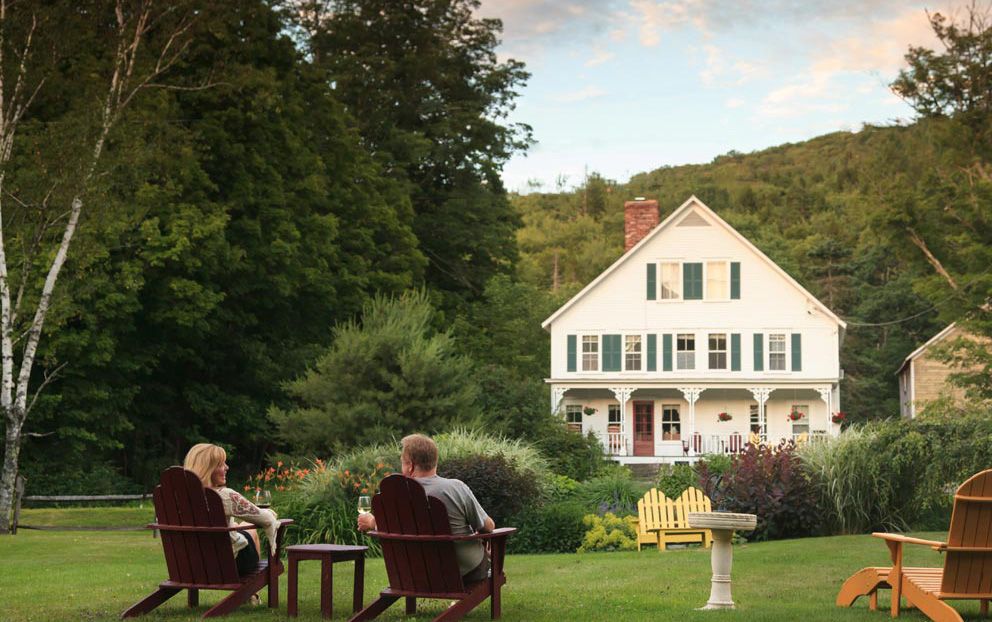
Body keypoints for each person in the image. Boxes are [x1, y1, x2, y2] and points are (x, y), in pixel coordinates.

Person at [357, 434, 494, 582]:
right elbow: (488, 527)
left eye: (402, 463)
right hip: (464, 572)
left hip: (416, 574)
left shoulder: (395, 497)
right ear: (434, 461)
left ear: (410, 465)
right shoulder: (456, 488)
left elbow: (393, 529)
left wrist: (372, 523)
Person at [183, 443, 279, 577]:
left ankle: (251, 594)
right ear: (208, 468)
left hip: (193, 563)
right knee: (248, 528)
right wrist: (270, 512)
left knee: (238, 526)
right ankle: (252, 590)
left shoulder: (180, 497)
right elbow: (266, 519)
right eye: (221, 464)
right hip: (229, 563)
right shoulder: (225, 495)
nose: (227, 468)